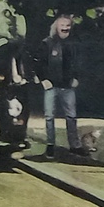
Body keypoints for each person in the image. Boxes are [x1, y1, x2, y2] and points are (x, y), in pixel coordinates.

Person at [36, 14, 81, 157]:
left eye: (68, 25)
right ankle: (50, 145)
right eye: (62, 25)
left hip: (68, 86)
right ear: (56, 27)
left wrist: (77, 77)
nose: (65, 28)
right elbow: (39, 63)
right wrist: (43, 79)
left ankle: (74, 145)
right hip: (51, 86)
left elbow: (79, 63)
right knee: (49, 116)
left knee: (71, 116)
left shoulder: (74, 44)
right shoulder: (47, 43)